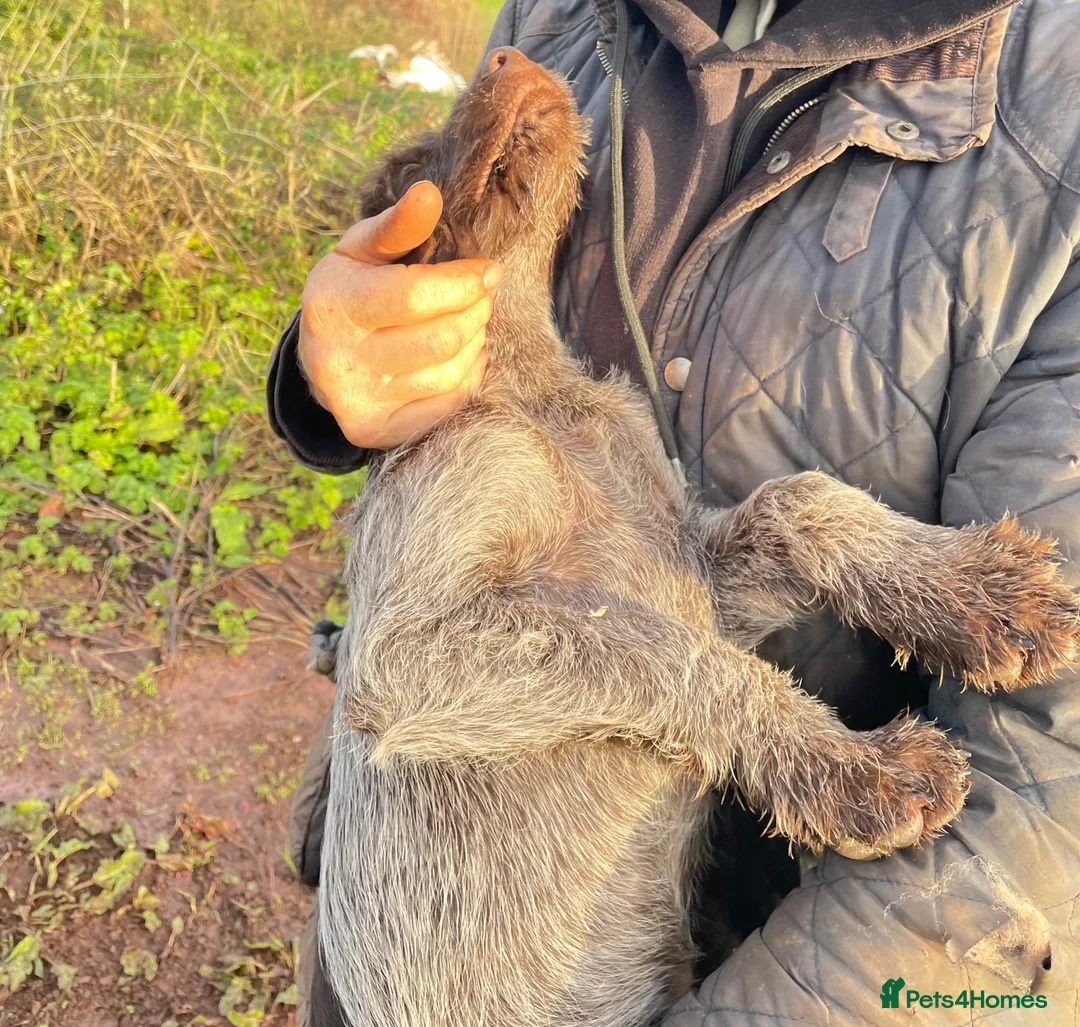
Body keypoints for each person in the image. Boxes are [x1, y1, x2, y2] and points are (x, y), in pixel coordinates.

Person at [268, 0, 1080, 1023]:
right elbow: (411, 665)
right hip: (426, 972)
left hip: (791, 965)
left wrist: (822, 606)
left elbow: (1051, 797)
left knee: (789, 521)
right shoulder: (566, 17)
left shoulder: (1054, 107)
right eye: (432, 163)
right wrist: (323, 363)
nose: (504, 62)